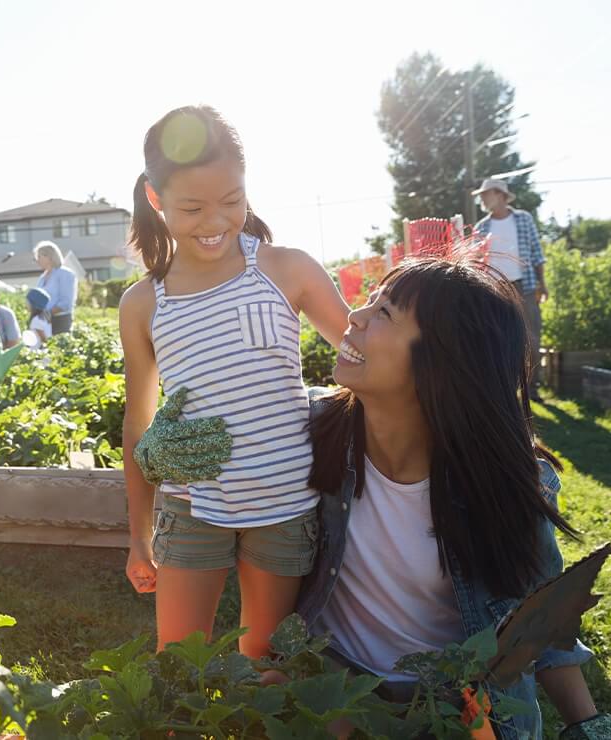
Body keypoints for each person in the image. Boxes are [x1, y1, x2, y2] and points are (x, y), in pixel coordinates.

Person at [136, 258, 611, 740]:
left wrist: (589, 724)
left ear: (445, 360)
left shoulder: (506, 481)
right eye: (370, 300)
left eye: (386, 313)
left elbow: (538, 624)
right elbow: (220, 434)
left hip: (452, 701)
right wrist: (160, 451)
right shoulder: (301, 432)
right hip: (331, 688)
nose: (356, 316)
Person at [120, 105, 349, 659]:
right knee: (178, 664)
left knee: (264, 663)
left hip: (285, 503)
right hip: (190, 503)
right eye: (192, 207)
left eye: (231, 201)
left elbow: (365, 353)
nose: (215, 222)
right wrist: (138, 531)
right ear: (156, 199)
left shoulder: (286, 269)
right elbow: (138, 419)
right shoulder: (144, 301)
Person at [473, 178, 547, 400]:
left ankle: (532, 388)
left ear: (500, 195)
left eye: (486, 194)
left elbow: (536, 253)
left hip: (524, 286)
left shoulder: (523, 220)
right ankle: (508, 388)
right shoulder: (481, 227)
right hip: (495, 291)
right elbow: (477, 263)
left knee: (532, 340)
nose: (483, 199)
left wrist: (543, 284)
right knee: (501, 341)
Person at [33, 240, 78, 335]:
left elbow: (66, 302)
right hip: (44, 322)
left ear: (49, 257)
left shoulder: (65, 274)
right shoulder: (42, 278)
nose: (37, 260)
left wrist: (47, 313)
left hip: (60, 321)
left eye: (39, 256)